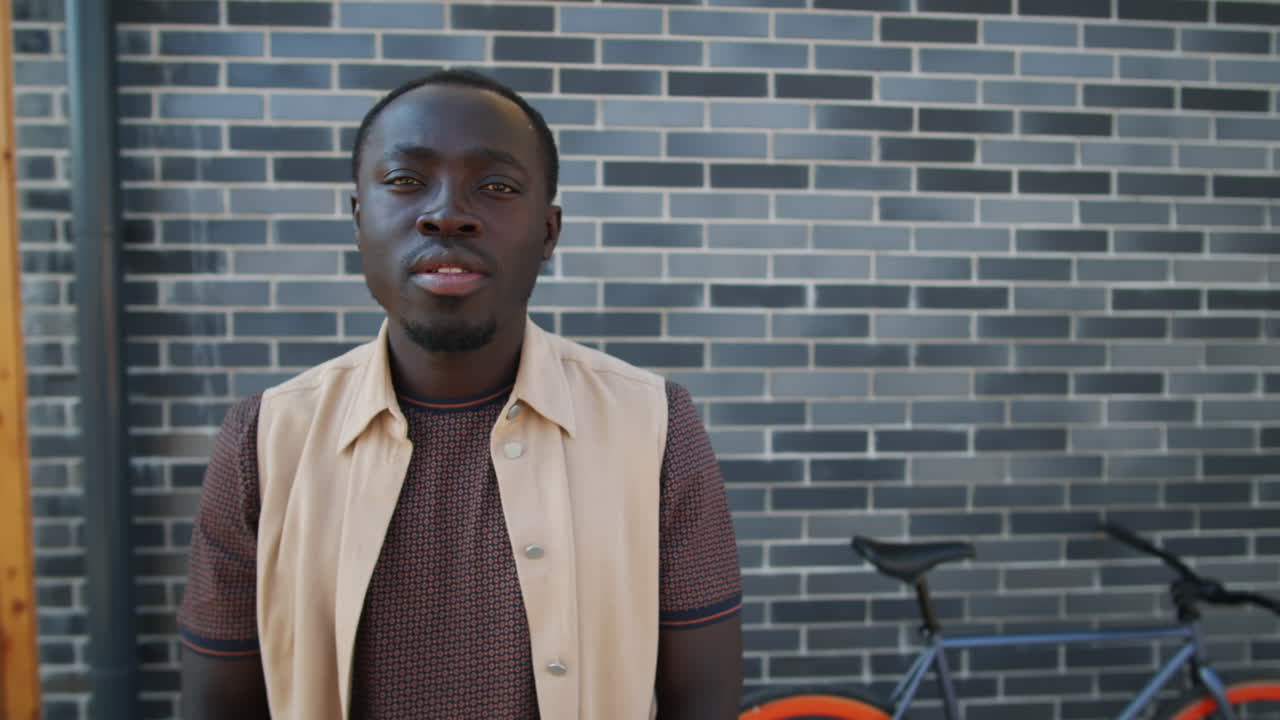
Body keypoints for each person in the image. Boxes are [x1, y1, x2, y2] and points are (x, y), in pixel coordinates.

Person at [177, 69, 743, 720]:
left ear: (549, 232)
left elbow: (703, 703)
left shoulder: (655, 428)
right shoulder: (265, 440)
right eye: (404, 181)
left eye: (496, 186)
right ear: (360, 220)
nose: (447, 212)